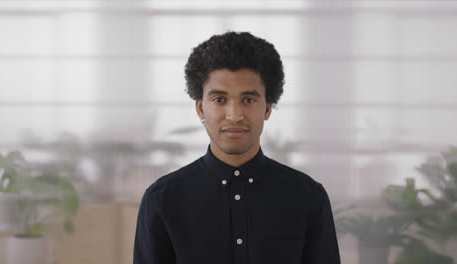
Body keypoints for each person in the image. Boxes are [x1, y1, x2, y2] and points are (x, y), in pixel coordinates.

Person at [133, 31, 341, 264]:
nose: (234, 116)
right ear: (201, 108)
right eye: (220, 100)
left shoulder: (308, 197)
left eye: (249, 100)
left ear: (268, 108)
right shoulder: (162, 200)